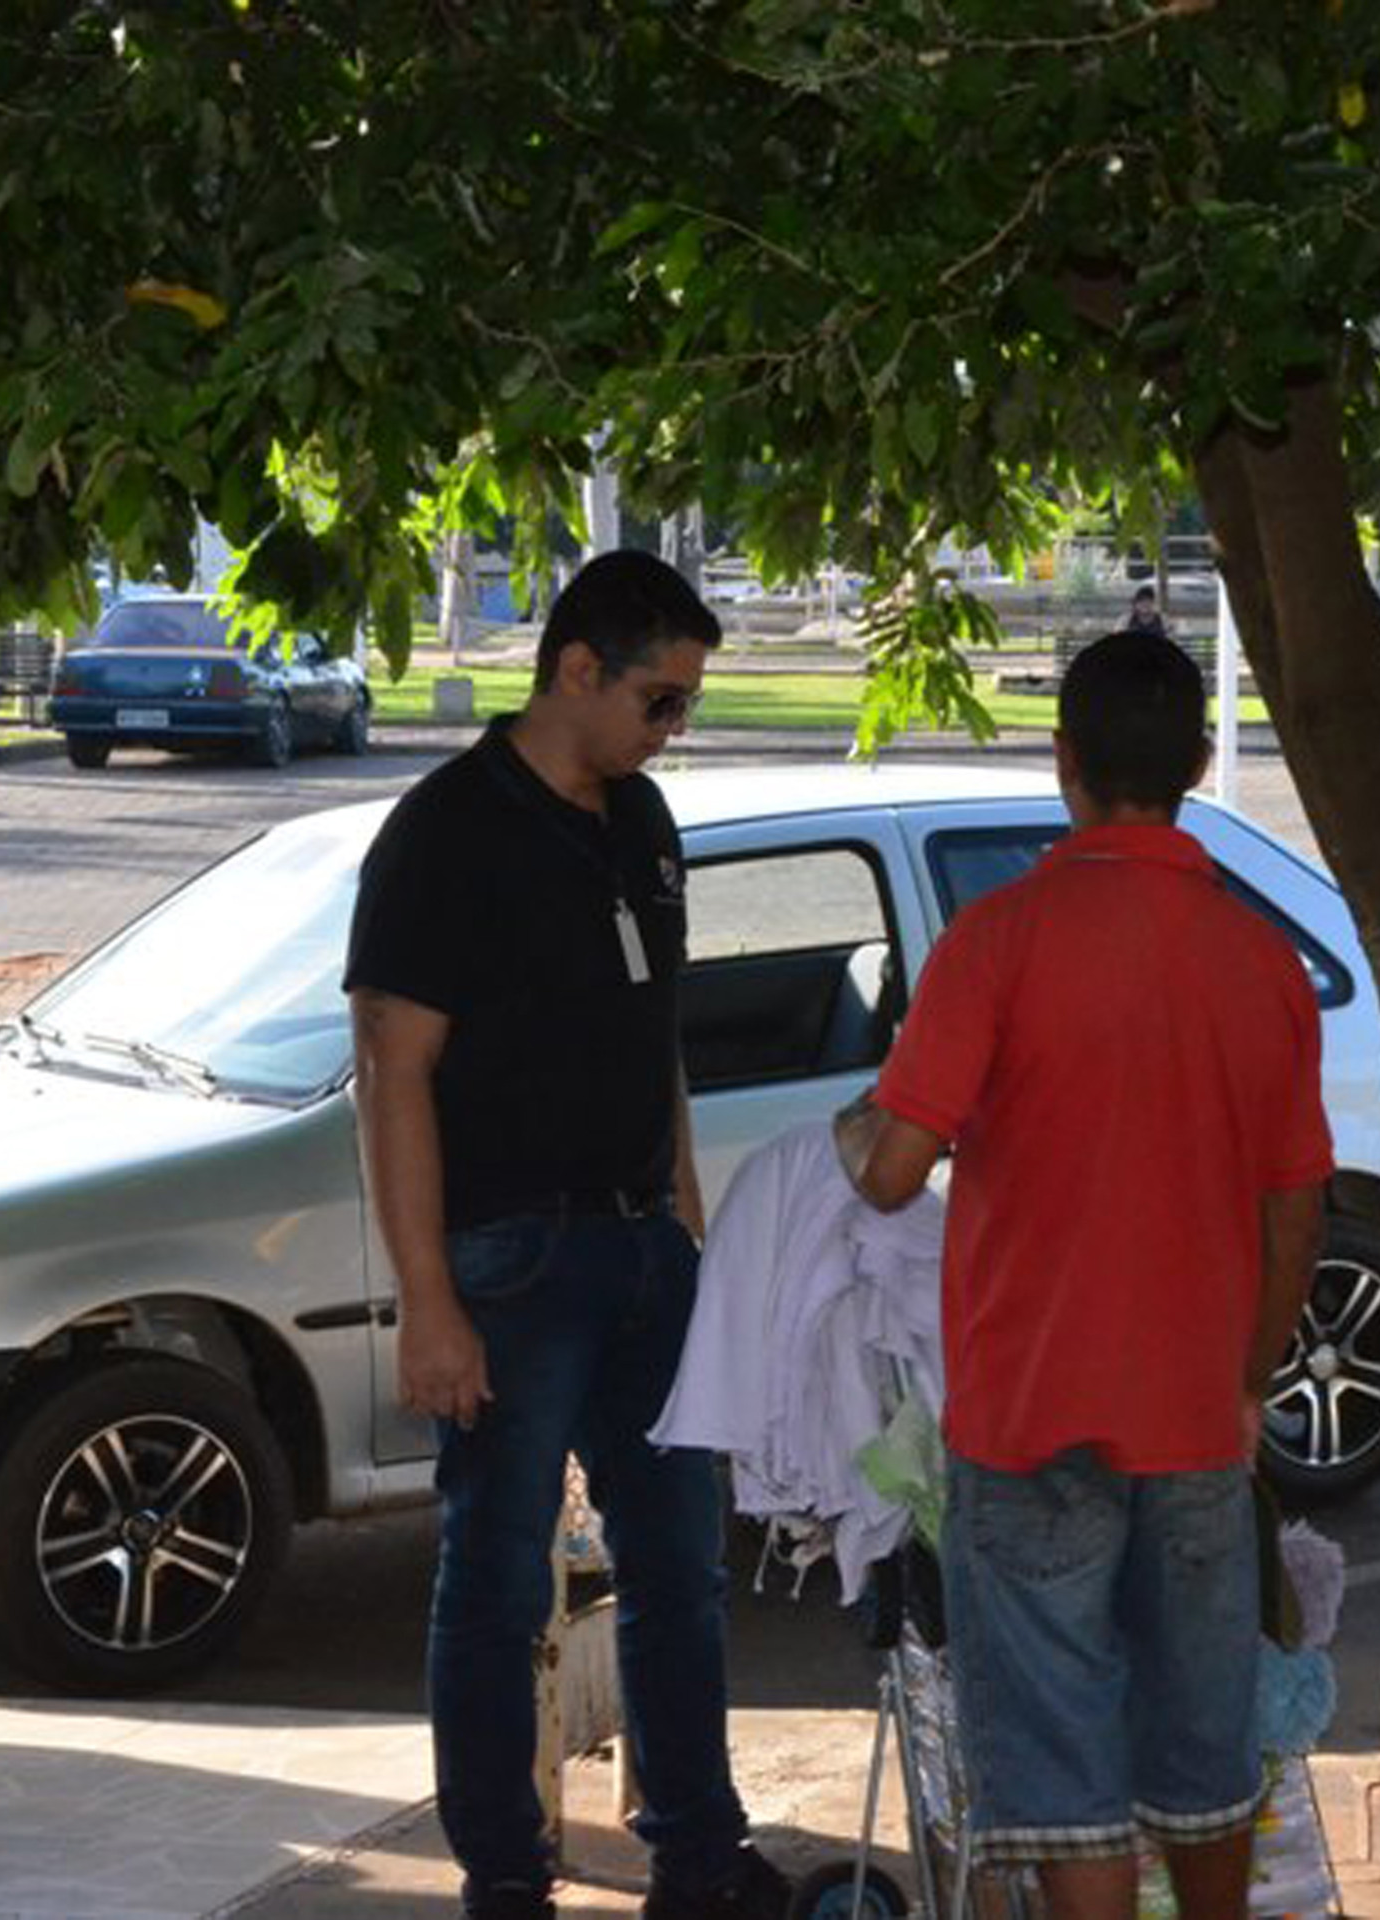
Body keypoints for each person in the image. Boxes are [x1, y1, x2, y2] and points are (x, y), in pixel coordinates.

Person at [836, 629, 1332, 1920]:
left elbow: (893, 1172)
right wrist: (1250, 1373)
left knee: (1065, 1773)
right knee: (1204, 1745)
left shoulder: (996, 942)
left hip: (1028, 1416)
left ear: (1066, 764)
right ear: (1199, 763)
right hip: (1197, 1424)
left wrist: (859, 1123)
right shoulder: (1264, 966)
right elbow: (1297, 1210)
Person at [343, 550, 786, 1920]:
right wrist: (430, 1299)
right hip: (507, 1267)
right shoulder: (443, 832)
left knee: (682, 1572)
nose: (675, 731)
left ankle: (698, 1860)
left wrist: (689, 1226)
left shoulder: (645, 821)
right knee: (495, 1579)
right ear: (577, 670)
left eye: (689, 706)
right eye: (660, 700)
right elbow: (391, 1069)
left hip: (646, 1252)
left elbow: (655, 1043)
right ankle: (505, 1878)